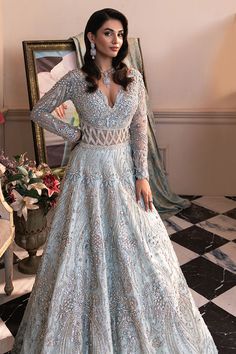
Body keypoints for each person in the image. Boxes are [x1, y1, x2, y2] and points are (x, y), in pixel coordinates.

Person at [12, 8, 218, 354]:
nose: (116, 40)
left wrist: (143, 176)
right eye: (108, 33)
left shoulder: (133, 78)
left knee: (138, 245)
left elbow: (139, 131)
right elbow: (39, 110)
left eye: (120, 34)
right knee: (84, 244)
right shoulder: (76, 79)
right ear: (91, 37)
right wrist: (75, 133)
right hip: (88, 169)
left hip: (122, 168)